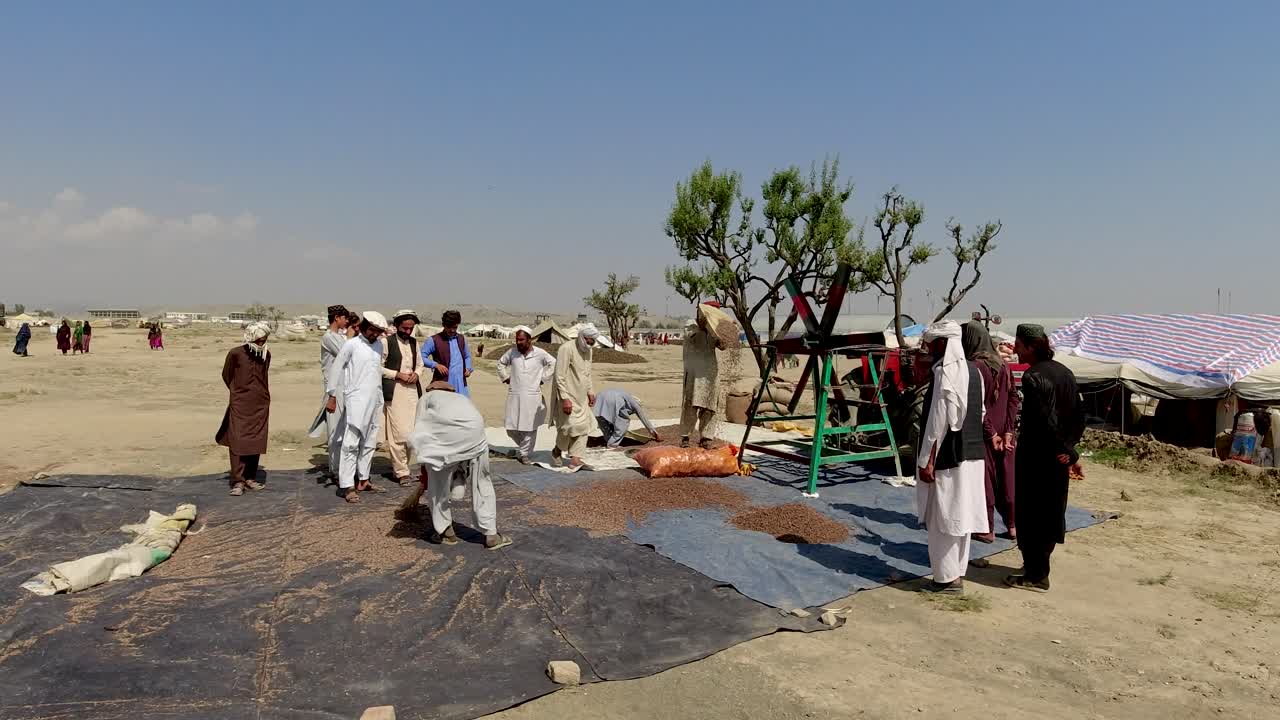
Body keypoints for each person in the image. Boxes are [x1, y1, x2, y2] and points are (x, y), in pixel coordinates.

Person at [1006, 324, 1085, 593]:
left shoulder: (1033, 376)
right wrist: (1069, 450)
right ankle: (1037, 569)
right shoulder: (1065, 372)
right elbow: (1078, 418)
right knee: (1051, 513)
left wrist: (1061, 448)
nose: (1014, 349)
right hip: (1058, 456)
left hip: (1038, 456)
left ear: (1030, 346)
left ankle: (1036, 576)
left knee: (1031, 515)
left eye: (1018, 344)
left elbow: (1045, 420)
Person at [916, 320, 988, 594]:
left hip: (948, 457)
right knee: (962, 516)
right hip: (971, 454)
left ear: (944, 343)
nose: (930, 348)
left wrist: (928, 460)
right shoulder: (975, 372)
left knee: (943, 519)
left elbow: (938, 422)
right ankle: (956, 573)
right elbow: (979, 413)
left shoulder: (945, 373)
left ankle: (945, 579)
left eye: (933, 343)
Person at [407, 381, 512, 550]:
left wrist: (426, 471)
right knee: (482, 482)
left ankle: (445, 532)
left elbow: (421, 432)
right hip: (476, 436)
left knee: (437, 483)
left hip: (448, 439)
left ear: (432, 389)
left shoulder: (426, 397)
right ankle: (491, 535)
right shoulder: (462, 398)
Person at [962, 322, 1020, 544]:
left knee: (984, 480)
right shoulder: (1003, 365)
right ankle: (1013, 526)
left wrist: (991, 432)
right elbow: (1013, 399)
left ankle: (986, 529)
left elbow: (976, 405)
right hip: (1004, 433)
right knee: (1007, 479)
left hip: (983, 434)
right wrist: (1008, 430)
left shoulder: (973, 367)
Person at [326, 311, 389, 503]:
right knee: (350, 443)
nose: (374, 335)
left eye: (378, 332)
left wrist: (380, 398)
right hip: (356, 400)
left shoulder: (378, 345)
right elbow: (336, 369)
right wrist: (332, 395)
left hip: (374, 399)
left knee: (369, 442)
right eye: (372, 330)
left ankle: (363, 479)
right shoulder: (351, 345)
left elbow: (376, 372)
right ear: (363, 326)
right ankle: (347, 485)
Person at [216, 322, 273, 496]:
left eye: (264, 341)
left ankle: (250, 477)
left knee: (255, 441)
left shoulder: (266, 355)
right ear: (250, 337)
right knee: (238, 441)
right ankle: (237, 481)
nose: (261, 344)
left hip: (260, 404)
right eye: (259, 341)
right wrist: (238, 392)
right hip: (240, 403)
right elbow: (227, 375)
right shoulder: (235, 354)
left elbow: (264, 375)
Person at [496, 326, 555, 463]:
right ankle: (524, 448)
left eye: (521, 339)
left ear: (529, 340)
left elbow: (553, 363)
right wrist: (505, 377)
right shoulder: (512, 352)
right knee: (511, 427)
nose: (519, 342)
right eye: (517, 340)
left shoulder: (540, 353)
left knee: (529, 426)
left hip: (532, 395)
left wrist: (543, 378)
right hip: (515, 394)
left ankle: (524, 454)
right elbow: (500, 364)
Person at [381, 310, 424, 485]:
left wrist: (417, 374)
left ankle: (405, 467)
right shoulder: (386, 342)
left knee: (412, 432)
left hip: (412, 390)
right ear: (397, 325)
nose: (407, 332)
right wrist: (397, 374)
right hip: (396, 390)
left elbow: (420, 364)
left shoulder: (414, 343)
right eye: (404, 328)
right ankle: (401, 472)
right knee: (398, 433)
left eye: (410, 328)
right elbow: (377, 367)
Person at [308, 304, 350, 480]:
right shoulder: (329, 337)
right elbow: (346, 355)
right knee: (335, 430)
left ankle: (344, 468)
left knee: (345, 429)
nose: (346, 321)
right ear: (337, 318)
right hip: (334, 389)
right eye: (345, 318)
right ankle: (335, 469)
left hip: (345, 387)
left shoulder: (340, 337)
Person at [549, 324, 598, 469]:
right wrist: (564, 398)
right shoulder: (566, 349)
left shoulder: (589, 351)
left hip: (581, 396)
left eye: (592, 342)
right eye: (588, 341)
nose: (589, 345)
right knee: (568, 427)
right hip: (568, 396)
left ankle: (576, 459)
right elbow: (559, 376)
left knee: (583, 427)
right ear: (581, 337)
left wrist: (590, 391)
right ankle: (557, 451)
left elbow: (587, 373)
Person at [681, 303, 727, 448]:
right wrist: (706, 325)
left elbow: (723, 345)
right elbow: (691, 337)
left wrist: (725, 331)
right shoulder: (691, 325)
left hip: (710, 373)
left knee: (710, 406)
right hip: (694, 372)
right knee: (690, 405)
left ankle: (706, 437)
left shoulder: (716, 328)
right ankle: (685, 437)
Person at [421, 310, 473, 397]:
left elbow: (467, 356)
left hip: (461, 384)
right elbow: (421, 357)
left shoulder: (461, 339)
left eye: (455, 327)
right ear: (443, 325)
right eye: (449, 327)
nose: (452, 330)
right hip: (443, 385)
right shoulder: (433, 340)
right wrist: (435, 365)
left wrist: (468, 368)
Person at [593, 388, 659, 449]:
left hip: (599, 397)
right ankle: (612, 444)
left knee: (603, 420)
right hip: (614, 399)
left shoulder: (626, 396)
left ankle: (609, 440)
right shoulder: (634, 403)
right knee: (623, 424)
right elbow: (643, 418)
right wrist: (653, 432)